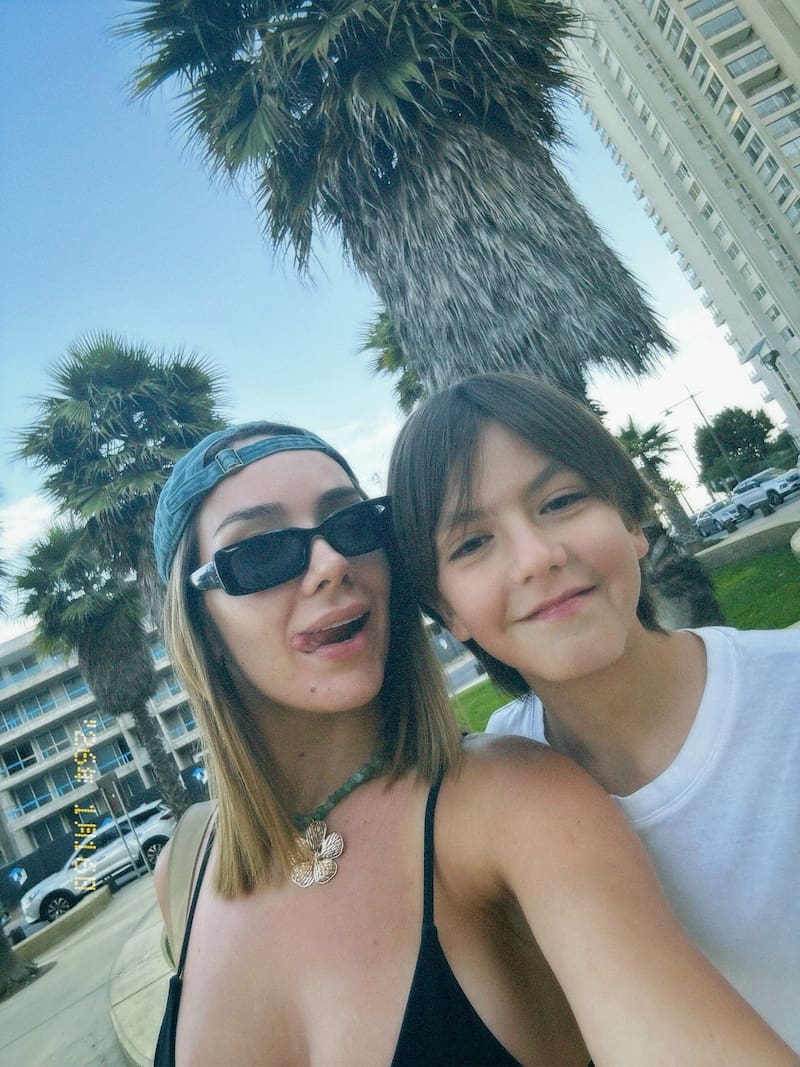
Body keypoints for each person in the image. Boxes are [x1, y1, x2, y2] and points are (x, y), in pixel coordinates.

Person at [149, 419, 795, 1067]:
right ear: (198, 621)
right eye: (261, 553)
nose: (331, 563)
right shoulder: (182, 868)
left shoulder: (519, 801)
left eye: (354, 526)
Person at [387, 371, 800, 1053]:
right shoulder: (495, 790)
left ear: (633, 522)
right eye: (472, 543)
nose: (536, 558)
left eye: (560, 501)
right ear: (448, 612)